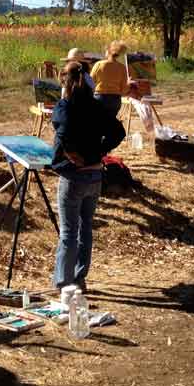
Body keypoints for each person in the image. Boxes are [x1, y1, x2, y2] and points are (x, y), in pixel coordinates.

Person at [51, 61, 126, 292]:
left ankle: (64, 283)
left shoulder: (66, 106)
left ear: (66, 83)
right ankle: (79, 278)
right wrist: (101, 151)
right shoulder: (95, 106)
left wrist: (71, 153)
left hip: (74, 178)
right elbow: (118, 131)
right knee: (85, 229)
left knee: (69, 232)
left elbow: (62, 133)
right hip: (95, 176)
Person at [90, 40, 131, 119]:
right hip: (115, 100)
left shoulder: (99, 65)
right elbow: (124, 89)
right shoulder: (122, 68)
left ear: (108, 51)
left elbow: (90, 82)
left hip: (100, 98)